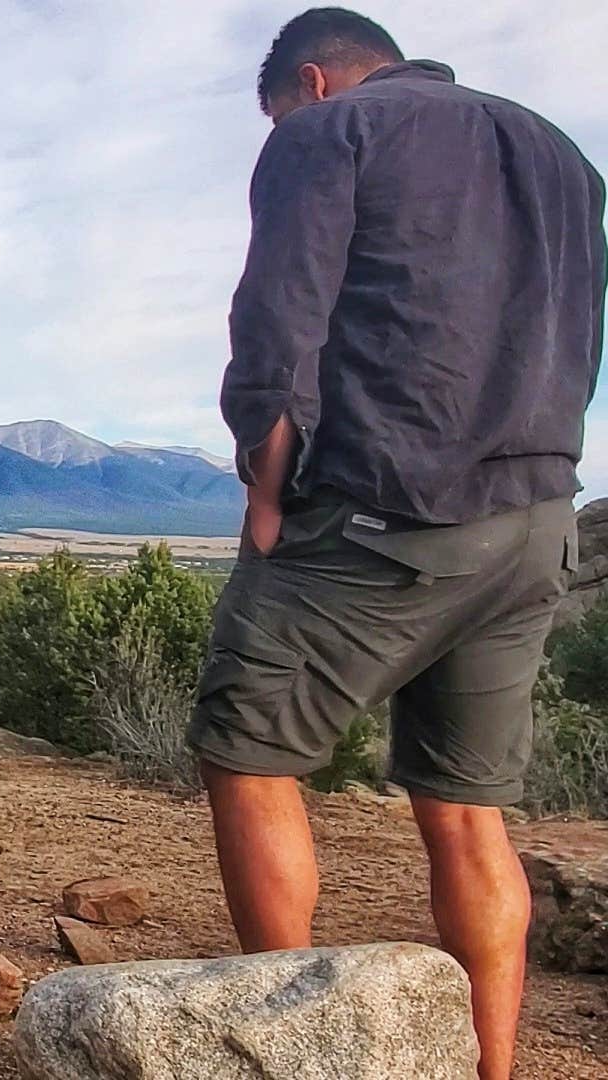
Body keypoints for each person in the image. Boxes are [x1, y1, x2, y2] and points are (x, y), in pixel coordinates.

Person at [193, 7, 606, 1078]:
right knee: (471, 816)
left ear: (315, 85)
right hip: (535, 518)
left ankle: (288, 1051)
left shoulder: (329, 134)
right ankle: (493, 1069)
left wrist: (267, 491)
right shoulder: (562, 158)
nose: (278, 129)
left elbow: (280, 327)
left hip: (390, 511)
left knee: (245, 748)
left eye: (279, 111)